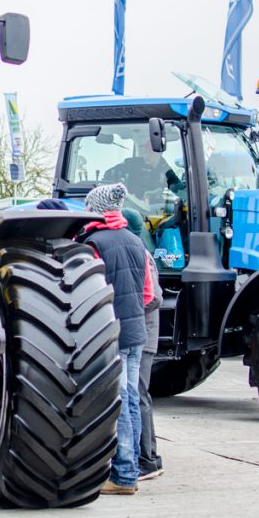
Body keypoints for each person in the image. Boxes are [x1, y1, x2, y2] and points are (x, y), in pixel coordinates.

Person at [77, 183, 154, 496]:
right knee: (131, 399)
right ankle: (131, 470)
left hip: (111, 333)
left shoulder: (93, 243)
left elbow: (85, 293)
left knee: (117, 402)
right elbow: (148, 294)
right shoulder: (137, 242)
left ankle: (122, 476)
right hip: (136, 332)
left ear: (94, 209)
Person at [123, 209, 164, 482]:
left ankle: (148, 458)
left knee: (138, 395)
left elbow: (155, 297)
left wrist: (130, 311)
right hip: (141, 333)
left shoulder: (143, 255)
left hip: (143, 336)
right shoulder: (140, 251)